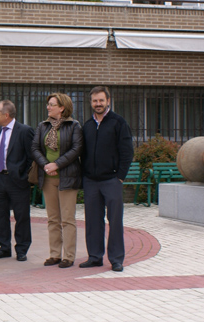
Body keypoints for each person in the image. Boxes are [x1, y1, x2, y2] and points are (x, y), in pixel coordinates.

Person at [80, 85, 134, 272]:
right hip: (91, 181)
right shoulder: (87, 125)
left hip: (112, 180)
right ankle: (95, 257)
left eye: (101, 100)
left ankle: (116, 259)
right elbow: (83, 154)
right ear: (91, 102)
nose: (98, 104)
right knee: (93, 222)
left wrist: (120, 177)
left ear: (108, 101)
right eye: (95, 101)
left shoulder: (119, 123)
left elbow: (127, 152)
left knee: (115, 220)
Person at [30, 92, 84, 269]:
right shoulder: (42, 126)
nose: (48, 107)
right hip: (47, 177)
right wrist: (46, 165)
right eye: (48, 104)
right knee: (53, 218)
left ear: (62, 107)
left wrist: (57, 165)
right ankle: (54, 254)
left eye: (52, 104)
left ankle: (68, 256)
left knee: (67, 219)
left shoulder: (74, 126)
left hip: (67, 177)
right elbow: (35, 148)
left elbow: (76, 149)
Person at [0, 100, 35, 261]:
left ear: (6, 115)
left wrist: (23, 176)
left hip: (17, 181)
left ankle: (22, 249)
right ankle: (4, 247)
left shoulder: (25, 131)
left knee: (21, 216)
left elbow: (31, 157)